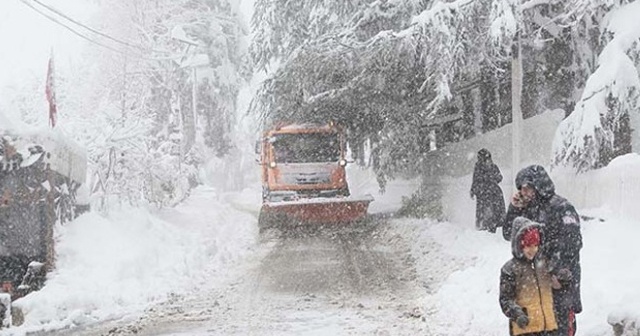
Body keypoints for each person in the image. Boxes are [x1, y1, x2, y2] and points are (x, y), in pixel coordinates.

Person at [502, 165, 582, 336]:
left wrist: (556, 272)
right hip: (535, 281)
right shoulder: (527, 208)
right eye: (521, 189)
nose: (523, 192)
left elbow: (572, 244)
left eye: (526, 188)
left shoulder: (561, 207)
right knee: (538, 326)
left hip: (560, 282)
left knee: (560, 326)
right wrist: (514, 208)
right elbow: (509, 233)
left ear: (537, 186)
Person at [500, 217, 558, 336]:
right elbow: (505, 299)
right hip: (525, 329)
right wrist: (518, 314)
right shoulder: (511, 269)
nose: (533, 250)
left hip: (549, 327)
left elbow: (556, 287)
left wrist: (563, 279)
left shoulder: (544, 265)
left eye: (535, 245)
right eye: (528, 246)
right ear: (519, 245)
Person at [470, 148, 505, 232]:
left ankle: (489, 225)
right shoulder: (486, 167)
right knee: (490, 210)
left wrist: (473, 190)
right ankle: (489, 226)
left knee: (489, 210)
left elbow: (499, 178)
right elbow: (499, 178)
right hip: (488, 192)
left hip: (487, 192)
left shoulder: (483, 167)